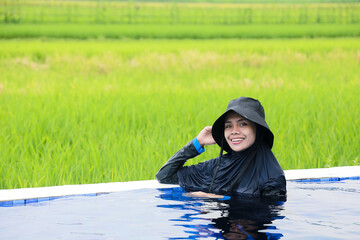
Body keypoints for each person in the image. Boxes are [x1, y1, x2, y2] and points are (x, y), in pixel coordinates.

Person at [156, 97, 286, 199]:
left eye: (243, 124)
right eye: (228, 126)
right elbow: (165, 176)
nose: (234, 131)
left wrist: (216, 198)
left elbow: (263, 215)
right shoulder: (218, 166)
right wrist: (197, 143)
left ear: (258, 129)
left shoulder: (272, 177)